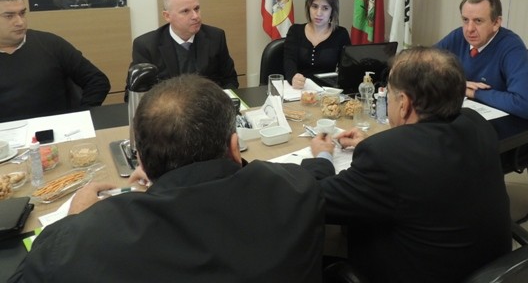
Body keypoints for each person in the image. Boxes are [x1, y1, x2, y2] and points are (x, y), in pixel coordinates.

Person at [10, 75, 326, 283]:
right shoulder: (297, 190)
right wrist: (321, 157)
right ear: (234, 146)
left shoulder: (83, 242)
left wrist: (72, 219)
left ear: (142, 162)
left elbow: (31, 273)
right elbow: (313, 175)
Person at [302, 46, 512, 283]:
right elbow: (425, 157)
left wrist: (322, 156)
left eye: (389, 93)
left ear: (404, 103)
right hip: (490, 271)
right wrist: (377, 144)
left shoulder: (386, 156)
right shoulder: (477, 124)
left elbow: (315, 201)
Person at [0, 0, 110, 123]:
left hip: (56, 129)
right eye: (9, 16)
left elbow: (97, 81)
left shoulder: (51, 44)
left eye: (22, 13)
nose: (20, 22)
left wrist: (81, 117)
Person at [435, 0, 528, 120]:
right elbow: (419, 67)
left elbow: (526, 105)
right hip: (464, 116)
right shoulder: (458, 36)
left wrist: (473, 92)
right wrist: (457, 85)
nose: (469, 29)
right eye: (465, 20)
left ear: (496, 23)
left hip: (498, 124)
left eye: (478, 21)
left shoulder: (512, 47)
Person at [130, 0, 238, 89]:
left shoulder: (215, 37)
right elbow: (135, 91)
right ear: (167, 16)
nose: (195, 16)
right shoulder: (146, 46)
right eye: (185, 11)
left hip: (209, 100)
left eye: (197, 9)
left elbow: (230, 79)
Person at [284, 0, 350, 89]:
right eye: (314, 6)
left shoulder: (341, 34)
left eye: (325, 8)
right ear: (308, 7)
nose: (318, 13)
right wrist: (293, 77)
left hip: (327, 92)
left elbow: (347, 70)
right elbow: (289, 61)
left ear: (332, 11)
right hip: (299, 90)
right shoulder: (295, 31)